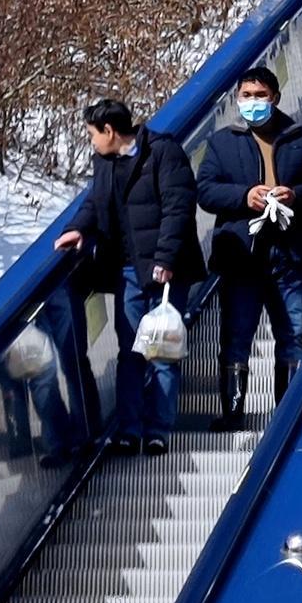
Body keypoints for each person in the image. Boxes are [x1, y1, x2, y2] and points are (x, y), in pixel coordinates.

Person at [55, 96, 205, 455]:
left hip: (168, 269)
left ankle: (158, 430)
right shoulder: (104, 162)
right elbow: (95, 201)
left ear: (110, 130)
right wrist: (78, 228)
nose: (91, 141)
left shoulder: (163, 153)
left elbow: (178, 206)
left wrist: (166, 257)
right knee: (130, 351)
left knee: (162, 350)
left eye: (93, 134)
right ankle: (129, 429)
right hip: (127, 270)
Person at [196, 61, 302, 413]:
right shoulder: (221, 143)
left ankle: (287, 415)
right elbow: (206, 191)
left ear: (274, 97)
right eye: (246, 95)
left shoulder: (301, 137)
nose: (253, 101)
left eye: (260, 95)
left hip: (290, 254)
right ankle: (232, 412)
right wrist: (244, 196)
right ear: (237, 99)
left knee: (292, 335)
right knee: (236, 338)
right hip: (242, 256)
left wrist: (296, 195)